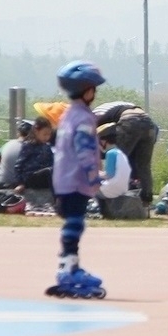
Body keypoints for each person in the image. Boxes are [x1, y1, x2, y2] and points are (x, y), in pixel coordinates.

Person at [45, 60, 107, 299]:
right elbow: (83, 150)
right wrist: (94, 176)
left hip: (62, 180)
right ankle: (68, 270)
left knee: (73, 223)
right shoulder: (84, 118)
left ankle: (67, 265)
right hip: (76, 181)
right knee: (74, 224)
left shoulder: (68, 115)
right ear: (87, 90)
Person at [93, 100, 159, 207]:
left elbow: (95, 143)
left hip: (130, 121)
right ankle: (146, 201)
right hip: (149, 123)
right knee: (144, 166)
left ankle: (116, 196)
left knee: (118, 158)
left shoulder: (95, 116)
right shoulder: (116, 107)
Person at [13, 116, 54, 192]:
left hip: (44, 177)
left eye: (49, 134)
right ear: (36, 132)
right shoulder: (28, 145)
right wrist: (20, 183)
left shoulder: (47, 146)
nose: (47, 137)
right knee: (49, 171)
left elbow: (52, 162)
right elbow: (18, 166)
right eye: (45, 134)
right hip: (31, 178)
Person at [0, 120, 32, 188]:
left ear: (18, 133)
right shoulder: (35, 147)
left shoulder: (9, 143)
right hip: (25, 182)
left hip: (4, 182)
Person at [96, 123, 132, 199]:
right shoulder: (119, 153)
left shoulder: (111, 153)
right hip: (122, 189)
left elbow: (109, 175)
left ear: (104, 141)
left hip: (110, 190)